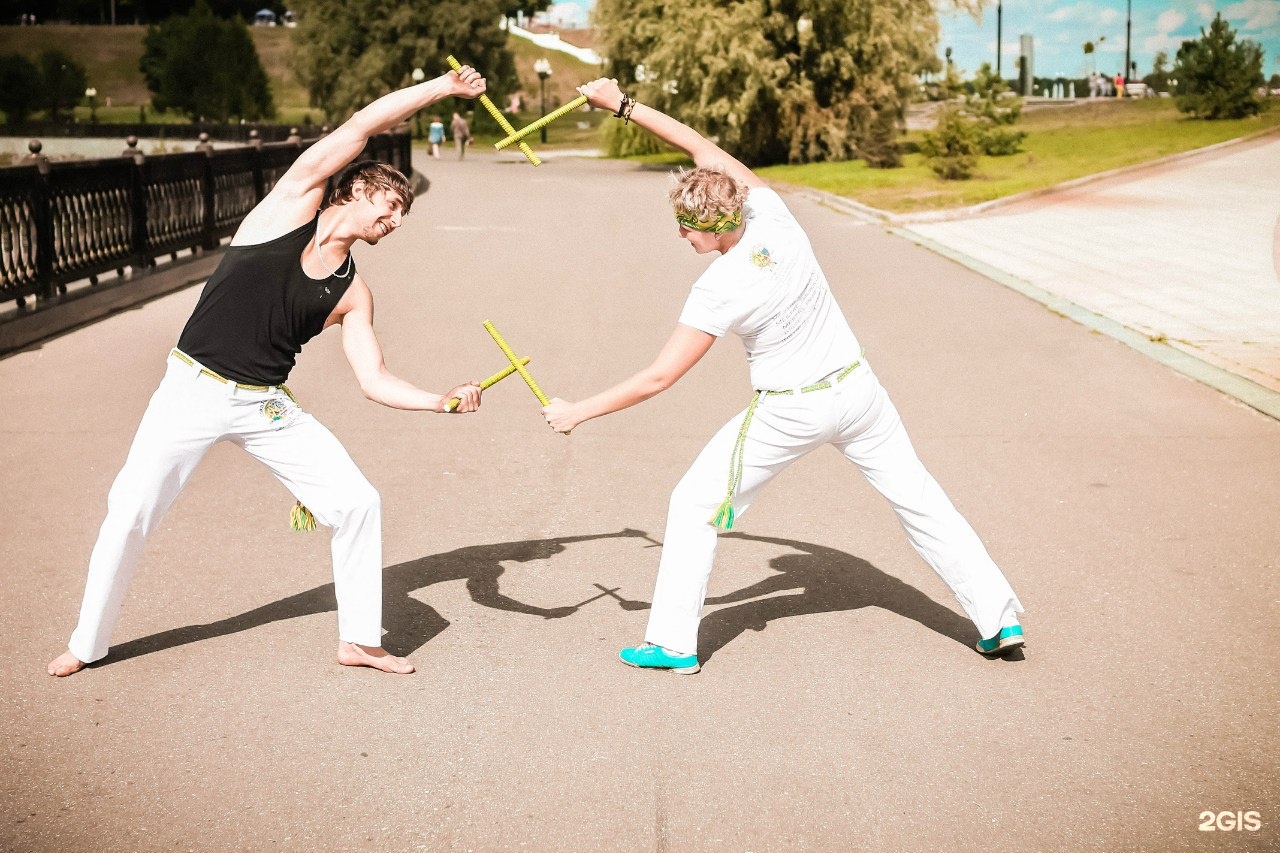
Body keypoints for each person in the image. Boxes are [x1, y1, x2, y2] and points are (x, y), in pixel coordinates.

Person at [542, 78, 1025, 674]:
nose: (681, 235)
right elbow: (701, 148)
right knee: (921, 501)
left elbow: (658, 378)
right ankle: (999, 616)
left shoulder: (717, 287)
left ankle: (672, 643)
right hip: (858, 393)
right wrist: (621, 105)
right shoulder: (772, 217)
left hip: (792, 409)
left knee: (694, 503)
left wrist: (576, 411)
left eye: (685, 226)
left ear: (714, 225)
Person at [47, 65, 491, 679]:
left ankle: (360, 640)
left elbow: (375, 380)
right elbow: (363, 125)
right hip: (191, 388)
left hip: (265, 407)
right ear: (354, 191)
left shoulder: (352, 293)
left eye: (401, 215)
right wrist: (442, 89)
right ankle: (86, 643)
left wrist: (440, 400)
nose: (395, 220)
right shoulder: (286, 209)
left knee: (358, 502)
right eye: (390, 205)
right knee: (130, 511)